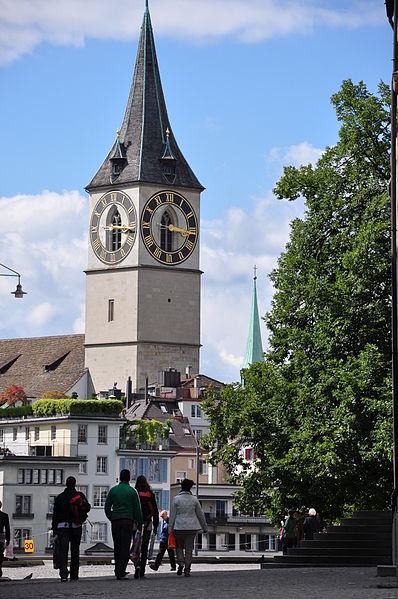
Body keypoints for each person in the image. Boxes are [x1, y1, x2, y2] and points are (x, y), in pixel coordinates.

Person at [105, 468, 143, 580]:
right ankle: (121, 571)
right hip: (127, 520)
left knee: (117, 546)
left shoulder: (113, 490)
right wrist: (139, 523)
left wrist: (111, 517)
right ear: (129, 478)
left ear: (120, 477)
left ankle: (117, 570)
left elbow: (107, 507)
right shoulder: (132, 491)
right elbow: (137, 509)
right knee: (125, 546)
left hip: (116, 521)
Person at [52, 476, 90, 582]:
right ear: (75, 484)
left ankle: (64, 574)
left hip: (62, 527)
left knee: (63, 551)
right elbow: (87, 508)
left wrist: (54, 530)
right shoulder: (79, 495)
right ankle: (74, 575)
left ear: (66, 484)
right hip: (76, 526)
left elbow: (55, 515)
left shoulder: (60, 497)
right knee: (75, 551)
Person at [169, 478, 207, 577]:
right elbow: (200, 515)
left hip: (179, 527)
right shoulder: (194, 499)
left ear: (181, 487)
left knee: (179, 547)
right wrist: (204, 527)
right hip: (192, 527)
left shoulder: (176, 499)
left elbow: (172, 515)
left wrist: (170, 528)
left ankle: (181, 563)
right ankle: (187, 570)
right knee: (189, 549)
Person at [134, 474, 159, 579]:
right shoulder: (151, 495)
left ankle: (137, 566)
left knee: (135, 547)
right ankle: (142, 571)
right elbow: (155, 511)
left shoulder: (135, 494)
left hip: (136, 524)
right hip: (148, 524)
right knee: (144, 547)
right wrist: (156, 526)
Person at [0, 500, 10, 579]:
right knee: (0, 554)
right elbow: (7, 529)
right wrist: (8, 540)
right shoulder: (4, 515)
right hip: (1, 537)